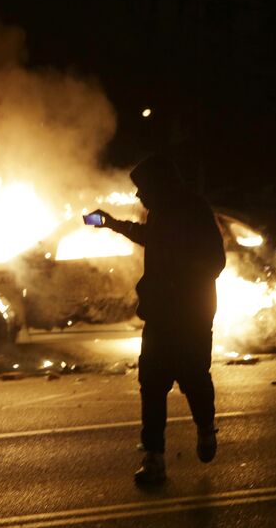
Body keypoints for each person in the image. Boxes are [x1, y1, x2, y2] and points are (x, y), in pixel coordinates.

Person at [91, 154, 226, 486]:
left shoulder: (194, 210)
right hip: (160, 317)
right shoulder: (162, 212)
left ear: (160, 184)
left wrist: (182, 285)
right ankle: (154, 458)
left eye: (142, 188)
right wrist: (111, 224)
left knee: (194, 379)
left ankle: (206, 428)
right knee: (151, 386)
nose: (138, 196)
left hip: (190, 317)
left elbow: (216, 261)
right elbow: (150, 237)